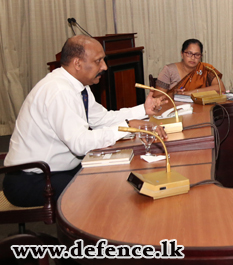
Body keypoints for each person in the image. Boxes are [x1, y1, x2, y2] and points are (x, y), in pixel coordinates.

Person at [3, 35, 168, 207]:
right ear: (77, 64)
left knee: (114, 175)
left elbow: (102, 119)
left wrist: (143, 110)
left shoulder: (79, 87)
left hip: (58, 170)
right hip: (32, 179)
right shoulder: (59, 91)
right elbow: (79, 143)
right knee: (97, 192)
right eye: (99, 61)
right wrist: (127, 127)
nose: (104, 67)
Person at [156, 39, 225, 96]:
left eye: (197, 54)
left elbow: (221, 88)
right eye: (189, 53)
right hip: (175, 109)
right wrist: (173, 94)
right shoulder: (169, 70)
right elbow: (157, 95)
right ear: (182, 54)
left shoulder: (206, 68)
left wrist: (190, 93)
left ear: (201, 57)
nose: (193, 58)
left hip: (200, 108)